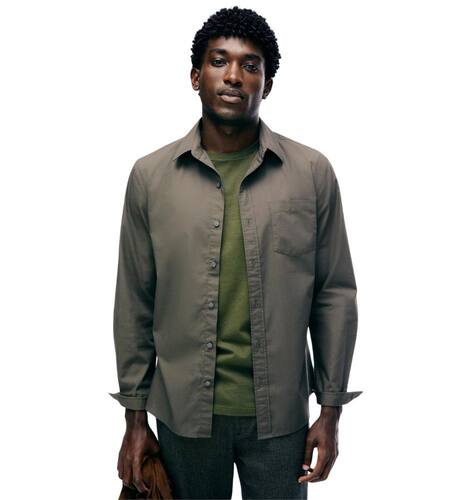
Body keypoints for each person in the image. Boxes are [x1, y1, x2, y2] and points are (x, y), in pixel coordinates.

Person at [109, 6, 362, 499]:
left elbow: (334, 294)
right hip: (183, 417)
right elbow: (135, 301)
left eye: (250, 65)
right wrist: (135, 419)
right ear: (195, 77)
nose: (233, 76)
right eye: (218, 61)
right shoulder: (150, 177)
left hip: (281, 421)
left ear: (267, 85)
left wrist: (330, 411)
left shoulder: (311, 174)